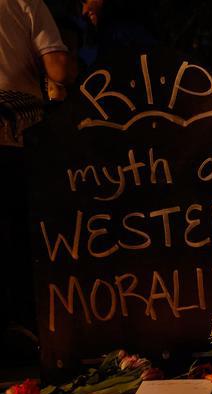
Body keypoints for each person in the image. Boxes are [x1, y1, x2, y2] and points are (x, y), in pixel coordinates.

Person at [1, 0, 76, 352]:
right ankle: (27, 331)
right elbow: (58, 68)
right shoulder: (25, 2)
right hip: (16, 138)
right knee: (21, 237)